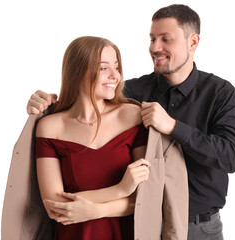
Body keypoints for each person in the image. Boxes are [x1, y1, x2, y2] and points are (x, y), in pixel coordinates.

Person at [27, 4, 235, 240]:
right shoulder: (133, 92)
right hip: (139, 221)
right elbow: (88, 98)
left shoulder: (219, 92)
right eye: (152, 39)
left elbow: (231, 156)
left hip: (197, 227)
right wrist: (46, 104)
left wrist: (173, 126)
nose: (155, 47)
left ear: (193, 42)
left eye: (165, 39)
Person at [35, 36, 151, 240]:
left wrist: (94, 211)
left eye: (117, 67)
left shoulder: (132, 116)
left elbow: (145, 198)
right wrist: (119, 190)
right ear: (78, 72)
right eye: (104, 68)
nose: (116, 76)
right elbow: (53, 205)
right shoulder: (50, 127)